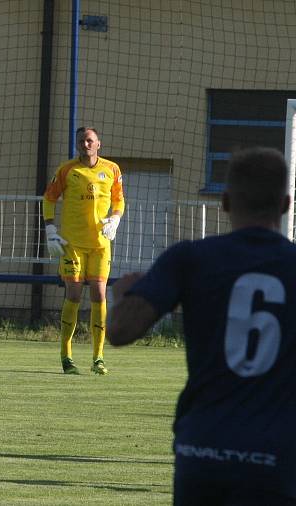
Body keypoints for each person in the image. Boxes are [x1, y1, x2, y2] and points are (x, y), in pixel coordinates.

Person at [108, 147, 296, 505]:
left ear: (224, 202)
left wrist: (124, 295)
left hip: (203, 451)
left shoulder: (190, 258)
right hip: (277, 456)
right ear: (286, 204)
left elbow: (120, 332)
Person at [42, 126, 124, 375]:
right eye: (81, 141)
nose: (85, 144)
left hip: (100, 245)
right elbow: (49, 198)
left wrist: (116, 218)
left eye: (89, 141)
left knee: (99, 295)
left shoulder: (112, 169)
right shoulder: (67, 170)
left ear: (98, 143)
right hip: (73, 244)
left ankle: (98, 357)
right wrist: (50, 230)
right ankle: (66, 356)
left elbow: (119, 199)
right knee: (75, 295)